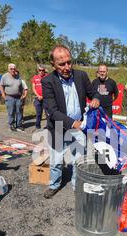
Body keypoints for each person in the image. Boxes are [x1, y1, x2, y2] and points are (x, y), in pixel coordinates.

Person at [42, 45, 99, 199]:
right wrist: (74, 123)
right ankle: (54, 185)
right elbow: (52, 111)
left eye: (69, 62)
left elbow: (94, 93)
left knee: (78, 161)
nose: (67, 67)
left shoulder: (81, 76)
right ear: (53, 65)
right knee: (56, 162)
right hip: (59, 128)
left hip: (78, 128)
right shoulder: (47, 81)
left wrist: (95, 99)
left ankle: (76, 186)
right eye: (61, 64)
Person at [0, 64, 28, 132]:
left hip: (18, 97)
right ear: (8, 69)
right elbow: (1, 86)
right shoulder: (5, 76)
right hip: (9, 97)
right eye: (11, 68)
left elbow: (21, 86)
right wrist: (3, 94)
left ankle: (19, 125)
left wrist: (23, 95)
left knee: (19, 111)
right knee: (11, 112)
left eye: (14, 68)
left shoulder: (18, 76)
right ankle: (11, 125)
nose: (13, 70)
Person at [31, 65, 49, 130]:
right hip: (37, 98)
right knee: (38, 113)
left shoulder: (47, 77)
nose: (41, 71)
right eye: (40, 70)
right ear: (38, 71)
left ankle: (48, 126)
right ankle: (37, 126)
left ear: (45, 71)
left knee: (47, 113)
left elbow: (49, 88)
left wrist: (43, 96)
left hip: (46, 98)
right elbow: (33, 88)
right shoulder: (35, 77)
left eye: (43, 70)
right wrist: (38, 96)